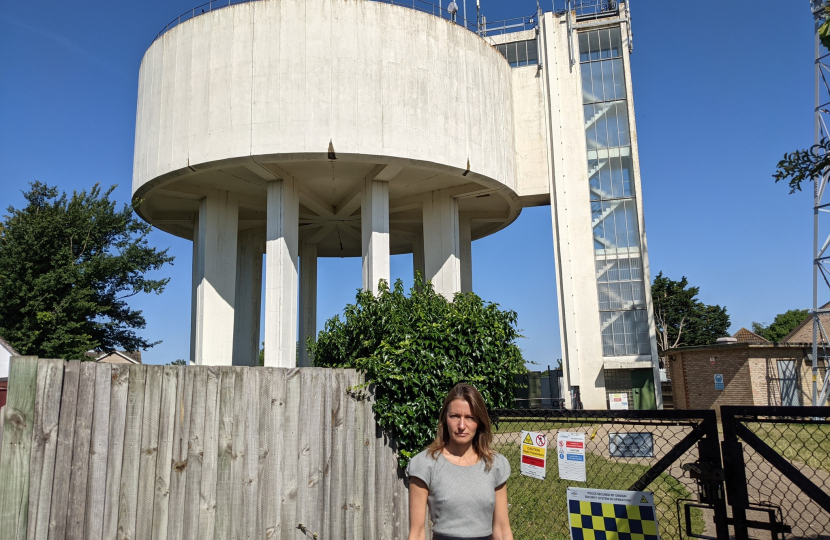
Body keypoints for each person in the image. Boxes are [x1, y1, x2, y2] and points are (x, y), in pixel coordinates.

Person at [406, 384, 514, 540]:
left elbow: (503, 531)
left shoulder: (494, 465)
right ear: (445, 418)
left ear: (479, 422)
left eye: (470, 418)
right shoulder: (425, 464)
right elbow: (417, 534)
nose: (462, 426)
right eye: (455, 416)